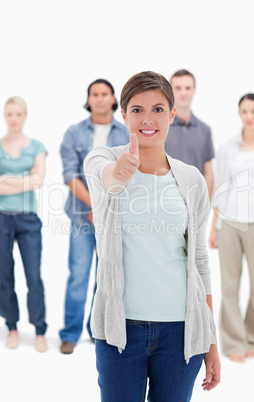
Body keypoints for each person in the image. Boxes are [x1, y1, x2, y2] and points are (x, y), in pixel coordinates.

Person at [84, 71, 221, 401]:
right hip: (120, 331)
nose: (148, 119)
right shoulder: (102, 159)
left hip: (181, 332)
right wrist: (118, 174)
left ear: (172, 114)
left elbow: (199, 262)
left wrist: (211, 342)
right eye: (137, 110)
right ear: (123, 113)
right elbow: (107, 179)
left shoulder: (190, 179)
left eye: (158, 109)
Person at [59, 79, 129, 354]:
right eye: (94, 94)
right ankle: (70, 333)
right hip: (81, 216)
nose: (100, 98)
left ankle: (97, 330)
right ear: (89, 100)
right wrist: (93, 206)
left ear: (113, 99)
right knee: (78, 274)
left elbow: (129, 177)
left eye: (105, 94)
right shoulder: (74, 133)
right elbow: (69, 175)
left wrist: (103, 209)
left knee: (108, 276)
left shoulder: (125, 133)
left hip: (112, 217)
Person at [0, 96, 48, 352]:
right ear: (4, 116)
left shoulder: (37, 146)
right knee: (5, 275)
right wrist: (24, 179)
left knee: (33, 276)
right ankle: (11, 326)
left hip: (28, 218)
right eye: (9, 114)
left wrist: (5, 181)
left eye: (18, 114)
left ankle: (39, 330)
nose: (14, 119)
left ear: (25, 116)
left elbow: (39, 181)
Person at [210, 93, 254, 363]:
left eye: (253, 111)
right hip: (229, 221)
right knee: (229, 285)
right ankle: (234, 341)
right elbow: (220, 185)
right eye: (245, 112)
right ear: (239, 114)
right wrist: (214, 227)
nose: (249, 117)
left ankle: (251, 337)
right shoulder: (228, 146)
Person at [165, 69, 215, 200]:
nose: (183, 92)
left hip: (194, 203)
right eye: (178, 88)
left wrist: (205, 206)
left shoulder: (205, 130)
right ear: (170, 91)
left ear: (194, 90)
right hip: (165, 201)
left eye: (187, 88)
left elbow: (208, 172)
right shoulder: (159, 127)